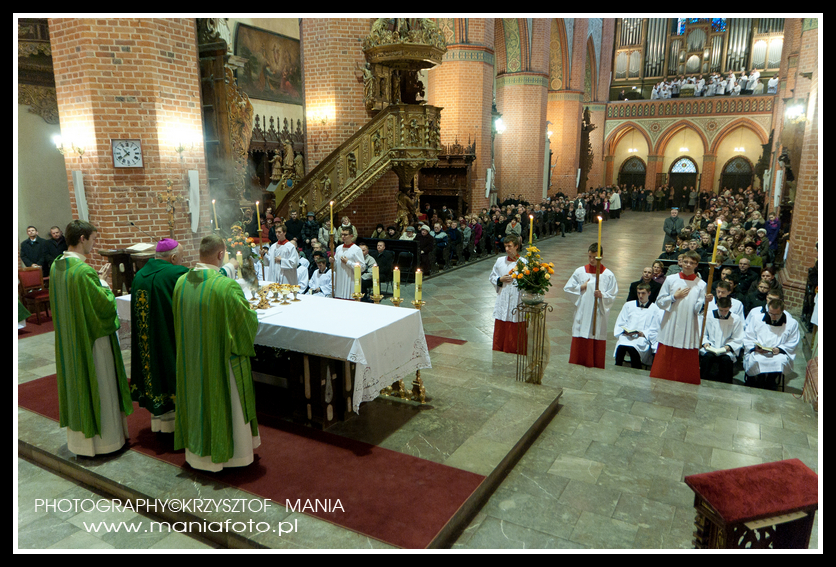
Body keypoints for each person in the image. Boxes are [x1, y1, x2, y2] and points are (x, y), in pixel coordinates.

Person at [173, 234, 260, 472]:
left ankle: (197, 455)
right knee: (226, 403)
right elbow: (245, 323)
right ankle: (234, 457)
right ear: (221, 254)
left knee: (197, 403)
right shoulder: (225, 286)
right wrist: (251, 312)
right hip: (221, 362)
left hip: (192, 359)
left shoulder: (181, 282)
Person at [50, 219, 133, 456]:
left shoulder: (57, 265)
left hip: (71, 338)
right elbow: (103, 306)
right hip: (93, 341)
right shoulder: (82, 271)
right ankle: (106, 443)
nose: (94, 244)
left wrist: (95, 280)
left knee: (79, 386)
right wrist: (103, 283)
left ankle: (81, 445)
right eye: (93, 239)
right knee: (100, 385)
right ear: (82, 238)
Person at [129, 238, 189, 433]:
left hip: (148, 341)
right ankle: (178, 426)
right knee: (171, 371)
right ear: (173, 258)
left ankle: (161, 423)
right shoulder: (176, 274)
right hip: (169, 338)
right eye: (181, 257)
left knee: (155, 372)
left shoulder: (140, 275)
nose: (181, 261)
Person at [649, 250, 707, 385]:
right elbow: (659, 302)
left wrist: (705, 302)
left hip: (688, 322)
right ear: (681, 262)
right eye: (685, 262)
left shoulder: (701, 284)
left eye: (691, 263)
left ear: (696, 265)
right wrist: (674, 297)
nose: (688, 265)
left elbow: (697, 310)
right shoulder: (671, 279)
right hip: (671, 319)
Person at [564, 243, 619, 369]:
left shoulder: (608, 275)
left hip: (598, 313)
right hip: (582, 312)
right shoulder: (580, 271)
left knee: (596, 334)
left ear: (601, 256)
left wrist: (602, 295)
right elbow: (568, 289)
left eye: (595, 257)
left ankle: (595, 364)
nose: (592, 260)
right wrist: (582, 287)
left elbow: (612, 294)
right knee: (580, 334)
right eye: (590, 256)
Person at [742, 298, 799, 390]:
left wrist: (780, 349)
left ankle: (771, 381)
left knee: (780, 361)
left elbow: (793, 341)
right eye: (771, 313)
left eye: (776, 314)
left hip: (778, 353)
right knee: (756, 359)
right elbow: (749, 336)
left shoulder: (791, 323)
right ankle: (756, 380)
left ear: (782, 311)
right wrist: (755, 347)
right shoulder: (757, 319)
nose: (773, 317)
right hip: (759, 351)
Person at [490, 234, 526, 354]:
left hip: (517, 298)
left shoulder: (523, 263)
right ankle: (498, 349)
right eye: (505, 246)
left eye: (509, 246)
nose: (507, 249)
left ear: (516, 246)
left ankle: (514, 350)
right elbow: (492, 276)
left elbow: (528, 282)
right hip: (503, 297)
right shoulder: (500, 261)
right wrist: (500, 279)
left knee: (515, 323)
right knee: (501, 325)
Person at [613, 283, 661, 369]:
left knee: (633, 348)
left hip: (642, 338)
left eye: (643, 293)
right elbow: (621, 321)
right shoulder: (628, 305)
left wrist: (643, 334)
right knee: (621, 346)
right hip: (627, 336)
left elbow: (655, 327)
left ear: (649, 293)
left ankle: (636, 368)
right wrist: (625, 331)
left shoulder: (655, 309)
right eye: (638, 293)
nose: (640, 296)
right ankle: (617, 366)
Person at [699, 296, 745, 383]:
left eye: (726, 311)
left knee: (726, 360)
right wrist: (705, 342)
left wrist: (729, 346)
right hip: (710, 347)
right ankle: (702, 381)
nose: (723, 313)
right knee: (707, 358)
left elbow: (738, 337)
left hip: (725, 349)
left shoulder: (735, 319)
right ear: (717, 306)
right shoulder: (708, 315)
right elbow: (702, 333)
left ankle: (726, 385)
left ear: (730, 307)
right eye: (721, 310)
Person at [330, 227, 365, 299]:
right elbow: (335, 267)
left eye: (345, 235)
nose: (343, 236)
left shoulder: (357, 249)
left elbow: (362, 267)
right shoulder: (339, 248)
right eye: (342, 234)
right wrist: (333, 262)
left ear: (351, 236)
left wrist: (348, 262)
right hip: (339, 281)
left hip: (350, 281)